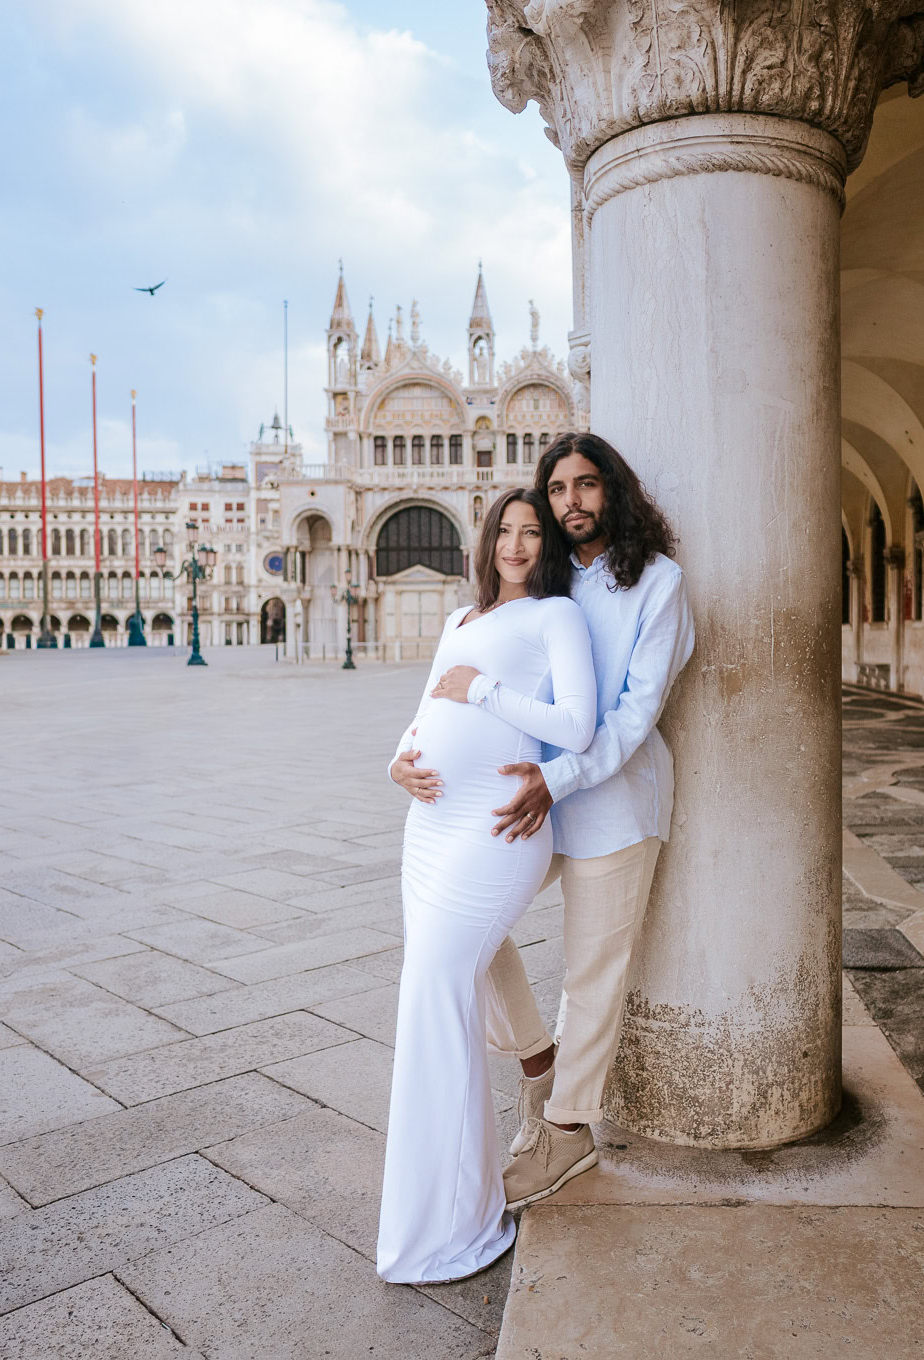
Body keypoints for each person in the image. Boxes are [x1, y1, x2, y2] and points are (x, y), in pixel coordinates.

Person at [406, 432, 695, 1210]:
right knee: (472, 922)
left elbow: (635, 715)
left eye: (586, 485)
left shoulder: (659, 584)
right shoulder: (551, 580)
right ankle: (537, 1063)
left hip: (612, 806)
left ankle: (568, 1133)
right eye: (558, 488)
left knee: (592, 975)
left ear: (613, 492)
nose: (571, 501)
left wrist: (556, 778)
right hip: (532, 802)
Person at [376, 490, 596, 1285]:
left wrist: (484, 694)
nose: (515, 544)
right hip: (429, 830)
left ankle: (451, 1222)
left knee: (437, 992)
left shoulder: (555, 619)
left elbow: (578, 724)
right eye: (504, 530)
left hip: (495, 830)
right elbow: (423, 707)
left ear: (548, 545)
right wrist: (397, 761)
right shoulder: (459, 621)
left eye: (531, 531)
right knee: (432, 998)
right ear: (485, 539)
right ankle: (453, 1210)